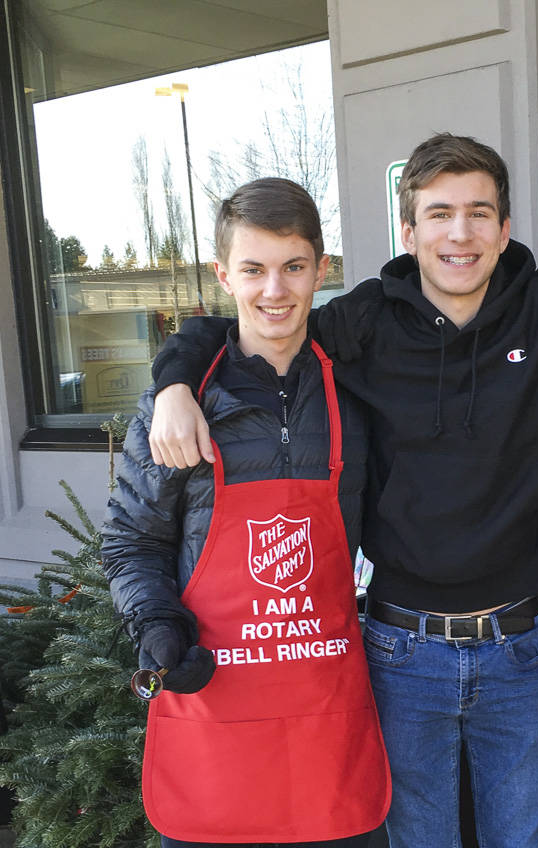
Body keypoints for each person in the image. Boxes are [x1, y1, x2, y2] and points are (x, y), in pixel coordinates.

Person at [144, 134, 538, 848]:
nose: (458, 233)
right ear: (409, 231)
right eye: (438, 214)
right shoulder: (363, 321)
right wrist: (173, 383)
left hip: (519, 649)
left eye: (478, 213)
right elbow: (249, 319)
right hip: (402, 653)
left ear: (503, 228)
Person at [101, 178, 390, 848]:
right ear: (223, 273)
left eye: (293, 267)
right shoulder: (182, 405)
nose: (275, 291)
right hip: (214, 717)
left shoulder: (356, 389)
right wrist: (158, 628)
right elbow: (131, 541)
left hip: (329, 725)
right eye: (254, 269)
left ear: (322, 270)